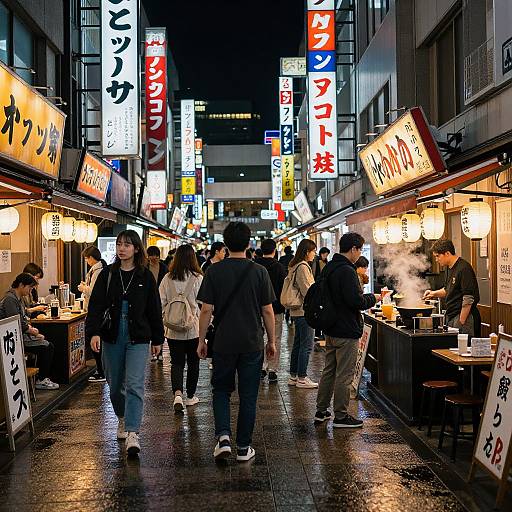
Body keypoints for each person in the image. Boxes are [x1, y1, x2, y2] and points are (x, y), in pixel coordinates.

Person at [197, 222, 276, 462]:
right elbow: (268, 311)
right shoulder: (259, 271)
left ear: (226, 244)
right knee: (248, 395)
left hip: (222, 342)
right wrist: (271, 341)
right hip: (251, 342)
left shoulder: (214, 271)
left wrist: (201, 340)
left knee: (221, 390)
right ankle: (243, 447)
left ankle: (223, 438)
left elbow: (206, 310)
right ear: (249, 243)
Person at [86, 230, 164, 456]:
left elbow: (154, 309)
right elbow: (96, 306)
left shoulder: (145, 276)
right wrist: (93, 333)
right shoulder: (108, 274)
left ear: (136, 249)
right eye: (119, 244)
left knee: (135, 383)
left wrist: (158, 339)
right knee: (114, 384)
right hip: (111, 334)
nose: (122, 248)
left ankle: (132, 432)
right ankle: (121, 416)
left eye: (127, 245)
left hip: (138, 335)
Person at [315, 233, 379, 428]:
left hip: (331, 327)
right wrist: (373, 298)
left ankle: (321, 410)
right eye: (358, 249)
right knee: (344, 374)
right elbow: (356, 301)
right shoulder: (347, 270)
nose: (358, 253)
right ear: (353, 249)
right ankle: (341, 416)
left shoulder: (329, 267)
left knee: (329, 370)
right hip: (345, 329)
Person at [159, 244, 203, 412]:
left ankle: (177, 394)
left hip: (172, 330)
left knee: (176, 362)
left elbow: (160, 302)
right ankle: (190, 397)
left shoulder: (167, 278)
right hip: (194, 329)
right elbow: (204, 305)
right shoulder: (198, 278)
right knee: (193, 363)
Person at [0, 273, 59, 390]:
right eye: (30, 288)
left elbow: (23, 314)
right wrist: (33, 331)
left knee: (46, 343)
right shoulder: (10, 300)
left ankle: (42, 378)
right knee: (47, 347)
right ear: (21, 285)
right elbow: (16, 322)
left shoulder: (17, 298)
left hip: (19, 336)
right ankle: (41, 379)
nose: (30, 291)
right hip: (12, 340)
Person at [423, 239, 481, 337]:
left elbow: (468, 298)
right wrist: (433, 293)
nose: (436, 260)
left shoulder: (463, 268)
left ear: (447, 253)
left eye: (438, 256)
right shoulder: (448, 268)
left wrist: (461, 321)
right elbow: (447, 289)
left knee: (464, 349)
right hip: (452, 315)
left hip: (465, 317)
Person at [287, 239, 318, 389]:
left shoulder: (294, 265)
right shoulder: (303, 267)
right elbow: (308, 291)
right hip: (304, 311)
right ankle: (302, 378)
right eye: (313, 251)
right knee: (306, 345)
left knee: (298, 345)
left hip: (297, 311)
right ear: (307, 252)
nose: (315, 254)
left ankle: (294, 376)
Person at [254, 239, 287, 382]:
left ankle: (261, 367)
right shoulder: (280, 268)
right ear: (274, 250)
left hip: (257, 309)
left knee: (260, 338)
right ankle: (273, 369)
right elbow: (283, 290)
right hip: (276, 309)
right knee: (276, 339)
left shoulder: (255, 266)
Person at [78, 246, 108, 382]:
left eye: (86, 258)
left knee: (95, 341)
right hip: (92, 310)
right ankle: (102, 370)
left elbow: (96, 293)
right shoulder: (95, 270)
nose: (86, 261)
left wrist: (83, 288)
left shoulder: (98, 271)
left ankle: (101, 371)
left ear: (91, 258)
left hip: (96, 312)